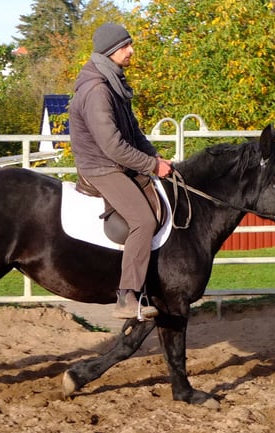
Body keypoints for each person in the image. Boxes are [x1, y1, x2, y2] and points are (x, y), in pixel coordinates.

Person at [69, 22, 173, 320]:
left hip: (116, 161)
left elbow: (134, 133)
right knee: (142, 219)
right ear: (111, 50)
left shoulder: (114, 82)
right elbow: (113, 146)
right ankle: (127, 296)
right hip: (101, 167)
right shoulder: (98, 90)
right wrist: (152, 165)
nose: (131, 51)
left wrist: (154, 156)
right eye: (126, 46)